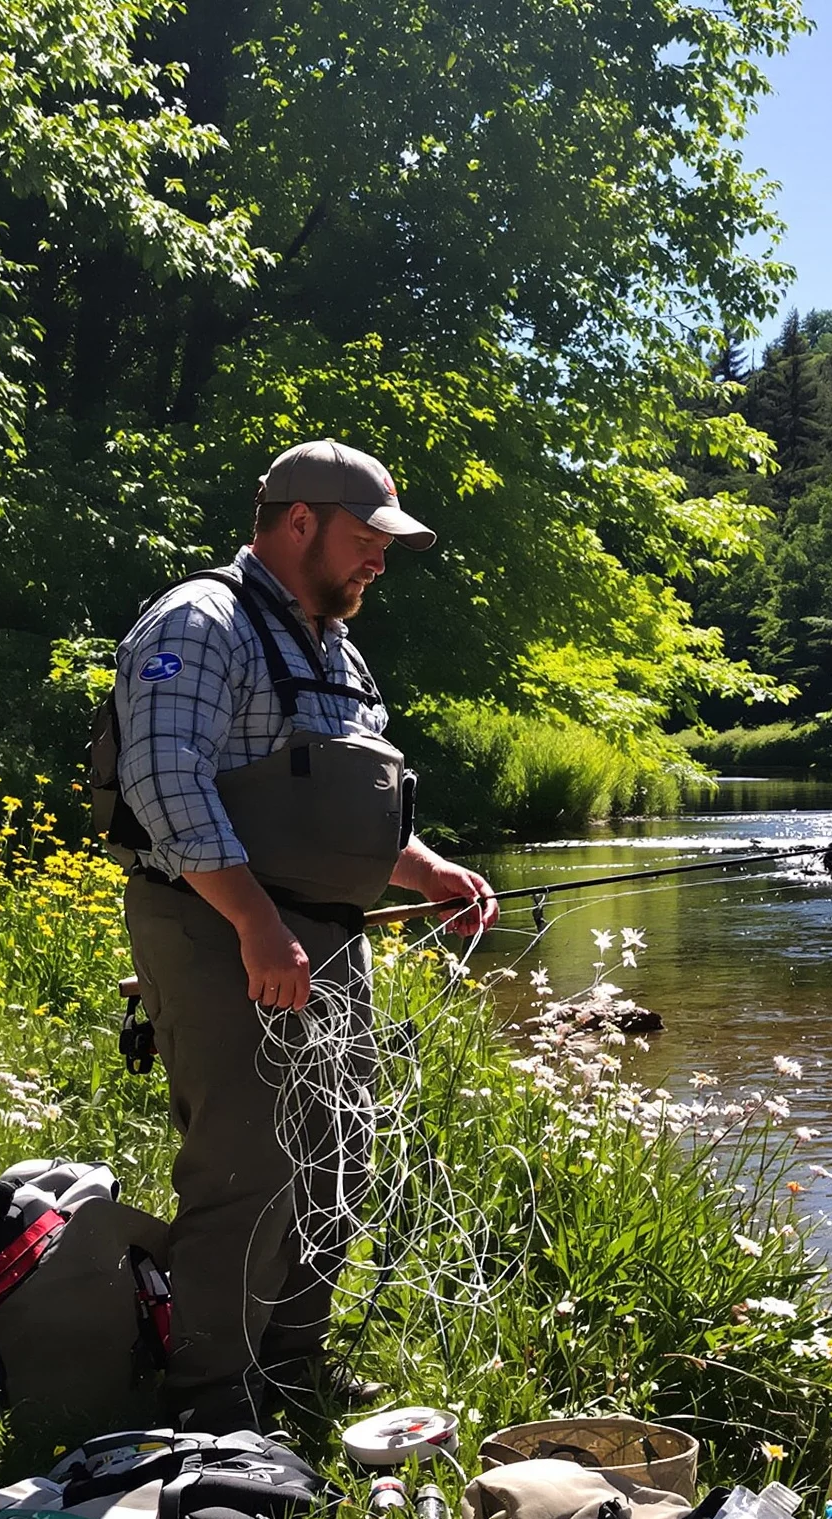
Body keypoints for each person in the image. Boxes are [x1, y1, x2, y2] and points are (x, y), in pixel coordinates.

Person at [107, 439, 497, 1431]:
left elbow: (348, 809)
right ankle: (210, 1401)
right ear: (297, 521)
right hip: (217, 926)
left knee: (336, 1155)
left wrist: (426, 869)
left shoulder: (337, 645)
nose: (378, 560)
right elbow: (165, 780)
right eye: (365, 539)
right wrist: (254, 924)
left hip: (324, 933)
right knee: (244, 1166)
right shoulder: (201, 621)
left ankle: (291, 1365)